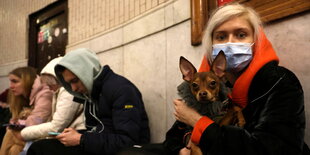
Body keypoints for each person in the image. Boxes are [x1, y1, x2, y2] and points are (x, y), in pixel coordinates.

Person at [173, 3, 309, 155]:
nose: (231, 43)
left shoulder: (280, 82)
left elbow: (275, 150)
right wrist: (183, 148)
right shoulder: (199, 84)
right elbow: (172, 140)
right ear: (211, 45)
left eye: (241, 35)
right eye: (221, 36)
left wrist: (198, 122)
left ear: (256, 41)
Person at [27, 48, 150, 155]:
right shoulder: (91, 92)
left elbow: (127, 141)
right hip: (101, 147)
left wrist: (81, 139)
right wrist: (75, 134)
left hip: (122, 151)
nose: (73, 88)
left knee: (40, 149)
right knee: (41, 147)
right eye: (69, 83)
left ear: (86, 72)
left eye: (75, 80)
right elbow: (98, 129)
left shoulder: (122, 90)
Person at [18, 57, 85, 155]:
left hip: (76, 135)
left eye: (50, 85)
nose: (49, 89)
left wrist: (24, 133)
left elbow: (56, 127)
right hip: (69, 133)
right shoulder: (59, 91)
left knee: (33, 147)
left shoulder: (67, 92)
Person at [0, 67, 53, 155]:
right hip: (27, 136)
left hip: (44, 135)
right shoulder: (20, 96)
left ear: (27, 81)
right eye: (10, 81)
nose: (11, 86)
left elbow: (37, 121)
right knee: (15, 149)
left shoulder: (45, 93)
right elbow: (16, 118)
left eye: (15, 81)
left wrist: (17, 124)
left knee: (10, 132)